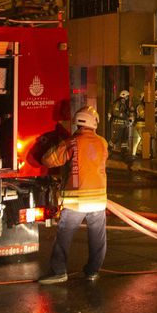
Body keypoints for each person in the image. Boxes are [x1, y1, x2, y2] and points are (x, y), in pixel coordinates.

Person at [38, 105, 109, 284]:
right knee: (98, 239)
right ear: (94, 122)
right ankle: (93, 272)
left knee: (64, 237)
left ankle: (59, 271)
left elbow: (48, 160)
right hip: (99, 200)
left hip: (76, 201)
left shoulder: (71, 142)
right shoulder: (103, 142)